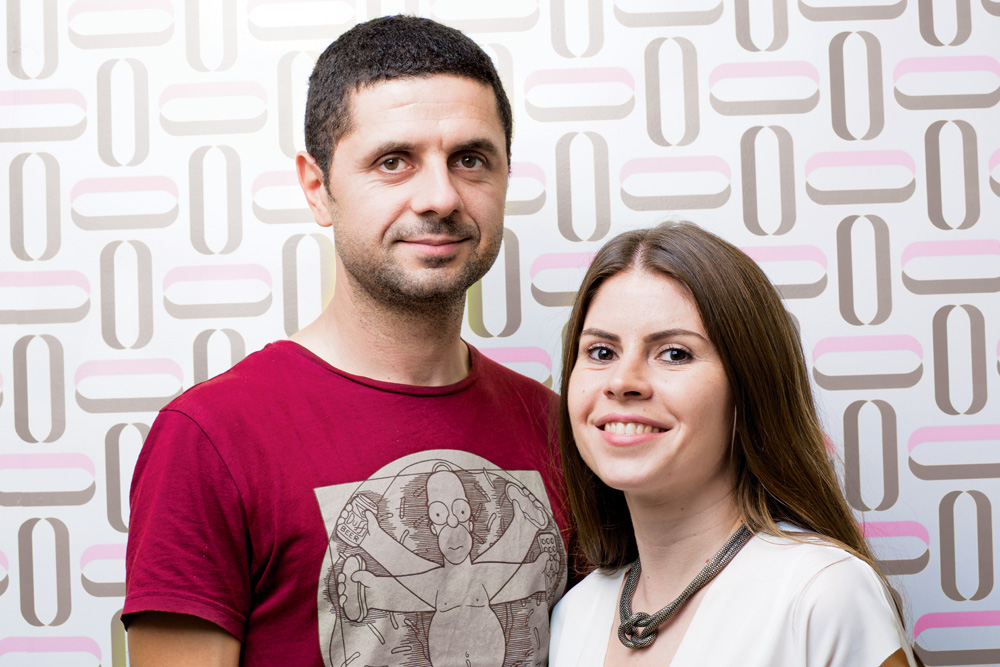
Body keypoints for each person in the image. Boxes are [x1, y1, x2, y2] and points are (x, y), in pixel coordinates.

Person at [123, 15, 568, 667]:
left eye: (471, 159)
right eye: (394, 161)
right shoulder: (211, 437)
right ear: (317, 188)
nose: (441, 197)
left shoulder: (559, 427)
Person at [549, 221, 920, 666]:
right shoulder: (573, 615)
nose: (623, 381)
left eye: (675, 353)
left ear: (749, 387)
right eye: (601, 352)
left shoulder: (822, 594)